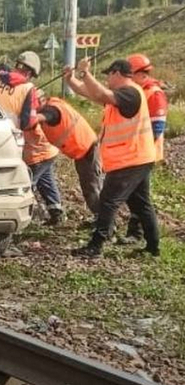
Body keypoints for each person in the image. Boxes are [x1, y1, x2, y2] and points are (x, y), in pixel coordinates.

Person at [65, 59, 159, 258]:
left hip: (130, 159)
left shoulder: (130, 93)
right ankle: (153, 247)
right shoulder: (121, 96)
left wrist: (85, 73)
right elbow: (91, 93)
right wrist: (71, 80)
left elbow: (100, 93)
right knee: (141, 204)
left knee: (108, 201)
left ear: (117, 73)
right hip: (136, 158)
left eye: (108, 74)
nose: (107, 78)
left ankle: (96, 246)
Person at [0, 51, 64, 225]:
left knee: (35, 179)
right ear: (30, 73)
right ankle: (50, 212)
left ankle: (50, 212)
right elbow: (27, 122)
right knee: (32, 182)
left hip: (32, 148)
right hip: (38, 149)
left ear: (17, 66)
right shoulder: (28, 90)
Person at [123, 53, 167, 243]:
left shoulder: (153, 93)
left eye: (130, 75)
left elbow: (157, 127)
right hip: (137, 153)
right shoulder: (139, 91)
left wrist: (140, 148)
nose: (128, 79)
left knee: (140, 196)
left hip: (145, 154)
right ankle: (136, 233)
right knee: (135, 195)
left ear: (141, 74)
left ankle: (142, 236)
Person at [37, 94, 101, 218]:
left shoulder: (52, 110)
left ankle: (105, 222)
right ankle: (102, 219)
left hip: (88, 150)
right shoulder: (54, 105)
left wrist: (28, 118)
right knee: (90, 188)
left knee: (93, 188)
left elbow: (45, 116)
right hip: (83, 151)